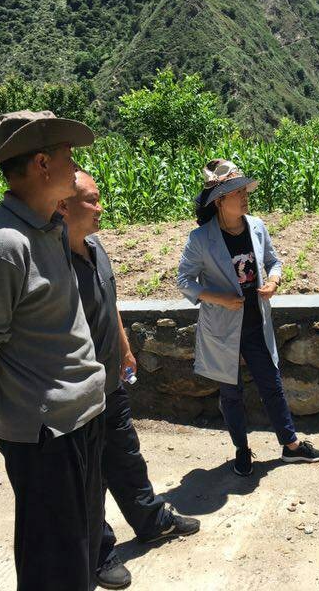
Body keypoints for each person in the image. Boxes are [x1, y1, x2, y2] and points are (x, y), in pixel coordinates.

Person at [0, 111, 107, 590]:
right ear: (42, 164)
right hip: (44, 433)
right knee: (53, 568)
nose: (75, 167)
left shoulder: (50, 226)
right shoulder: (1, 246)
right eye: (68, 157)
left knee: (79, 553)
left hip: (79, 416)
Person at [58, 170, 200, 589]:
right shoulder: (52, 262)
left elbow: (110, 302)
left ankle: (152, 521)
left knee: (125, 456)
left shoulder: (95, 247)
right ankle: (99, 553)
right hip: (77, 392)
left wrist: (124, 348)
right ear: (64, 206)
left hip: (110, 381)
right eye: (92, 200)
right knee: (89, 479)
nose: (101, 208)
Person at [177, 159, 319, 476]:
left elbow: (273, 261)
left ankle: (291, 446)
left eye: (245, 190)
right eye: (237, 192)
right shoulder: (200, 239)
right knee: (231, 394)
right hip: (223, 328)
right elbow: (184, 281)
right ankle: (241, 450)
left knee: (272, 385)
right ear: (220, 200)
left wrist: (273, 281)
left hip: (256, 322)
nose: (245, 196)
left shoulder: (256, 226)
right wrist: (218, 298)